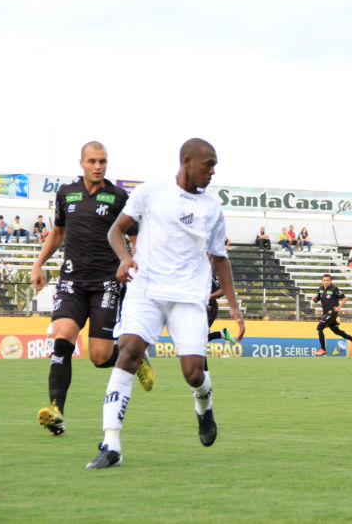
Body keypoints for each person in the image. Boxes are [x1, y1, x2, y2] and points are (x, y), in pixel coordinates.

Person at [86, 138, 245, 469]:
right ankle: (110, 443)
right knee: (128, 350)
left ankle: (204, 405)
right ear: (188, 161)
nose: (213, 171)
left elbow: (220, 258)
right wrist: (125, 258)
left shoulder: (211, 209)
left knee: (193, 372)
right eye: (209, 164)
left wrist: (234, 307)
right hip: (146, 290)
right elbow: (116, 231)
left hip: (188, 297)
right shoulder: (150, 192)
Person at [32, 141, 146, 437]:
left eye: (103, 161)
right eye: (93, 161)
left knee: (98, 357)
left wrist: (133, 263)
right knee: (62, 340)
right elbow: (57, 233)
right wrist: (38, 264)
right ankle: (56, 412)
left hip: (107, 283)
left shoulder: (119, 196)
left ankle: (133, 355)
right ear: (81, 163)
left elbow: (136, 237)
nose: (98, 166)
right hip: (71, 281)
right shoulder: (66, 194)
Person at [312, 274, 352, 357]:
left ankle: (323, 349)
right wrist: (314, 299)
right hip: (326, 313)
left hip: (332, 312)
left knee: (319, 328)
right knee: (336, 331)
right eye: (324, 280)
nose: (326, 281)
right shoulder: (320, 289)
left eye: (327, 280)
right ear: (322, 281)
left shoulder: (334, 289)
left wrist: (339, 307)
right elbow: (317, 299)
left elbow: (344, 298)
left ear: (331, 281)